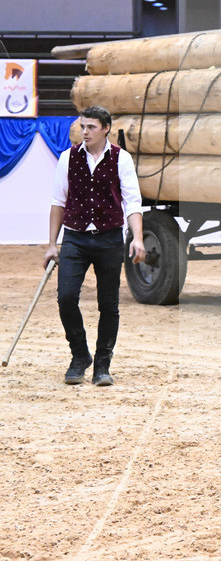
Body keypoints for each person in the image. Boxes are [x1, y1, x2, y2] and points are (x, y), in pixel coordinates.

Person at [43, 106, 146, 385]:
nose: (84, 132)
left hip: (109, 238)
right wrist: (52, 244)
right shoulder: (67, 157)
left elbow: (132, 202)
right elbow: (58, 202)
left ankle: (102, 364)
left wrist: (137, 237)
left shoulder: (121, 158)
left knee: (108, 304)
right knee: (66, 297)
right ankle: (80, 356)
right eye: (82, 126)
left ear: (105, 128)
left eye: (90, 127)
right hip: (75, 237)